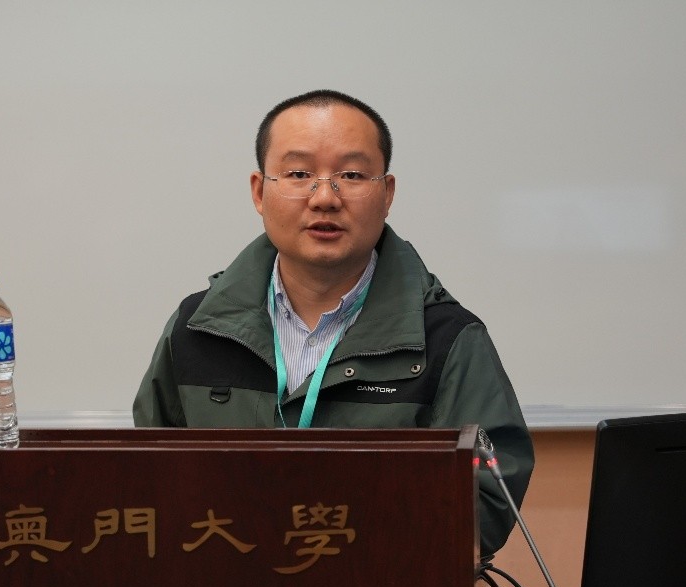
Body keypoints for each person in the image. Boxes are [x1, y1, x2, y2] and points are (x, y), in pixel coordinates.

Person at [133, 89, 533, 556]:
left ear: (387, 194)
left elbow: (487, 504)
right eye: (299, 174)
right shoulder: (197, 328)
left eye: (352, 175)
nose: (324, 197)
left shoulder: (446, 339)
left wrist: (333, 539)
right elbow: (145, 483)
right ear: (260, 192)